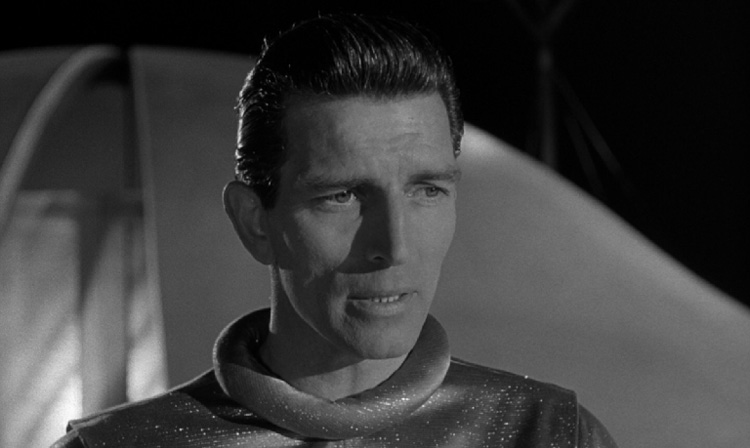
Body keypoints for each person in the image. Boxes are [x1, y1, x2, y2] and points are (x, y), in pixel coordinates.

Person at [52, 13, 618, 447]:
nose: (394, 247)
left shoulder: (549, 436)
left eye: (426, 190)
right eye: (342, 196)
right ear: (254, 222)